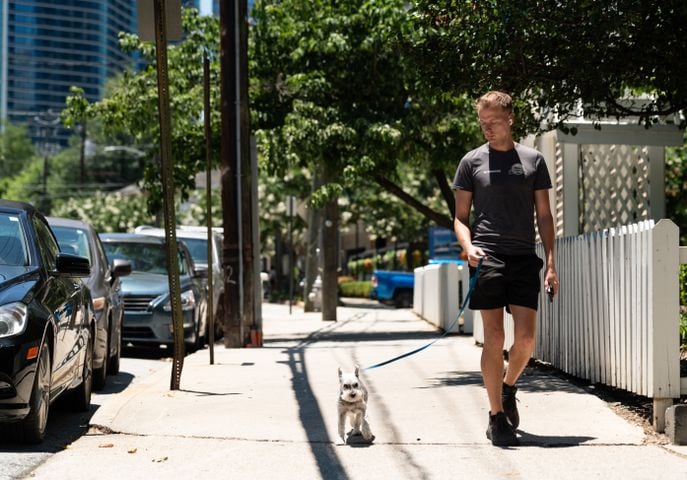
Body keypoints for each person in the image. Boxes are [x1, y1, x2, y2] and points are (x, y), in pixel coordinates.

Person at [452, 91, 559, 447]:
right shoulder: (471, 162)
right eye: (482, 122)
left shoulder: (533, 160)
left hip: (524, 257)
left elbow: (544, 215)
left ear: (510, 118)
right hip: (487, 256)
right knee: (494, 337)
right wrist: (468, 247)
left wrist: (551, 264)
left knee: (526, 340)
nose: (487, 129)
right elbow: (460, 218)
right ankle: (496, 416)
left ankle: (509, 386)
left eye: (493, 122)